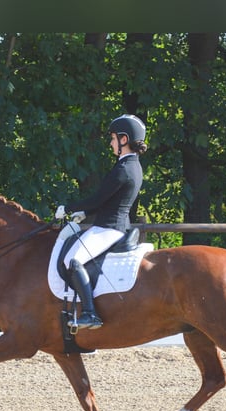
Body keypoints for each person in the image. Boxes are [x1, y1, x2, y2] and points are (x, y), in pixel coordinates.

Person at [55, 113, 148, 330]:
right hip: (114, 223)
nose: (111, 142)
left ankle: (90, 313)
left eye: (113, 138)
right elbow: (107, 200)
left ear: (124, 139)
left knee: (72, 260)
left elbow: (98, 199)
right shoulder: (132, 166)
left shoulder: (123, 169)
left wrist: (68, 209)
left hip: (109, 227)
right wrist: (83, 214)